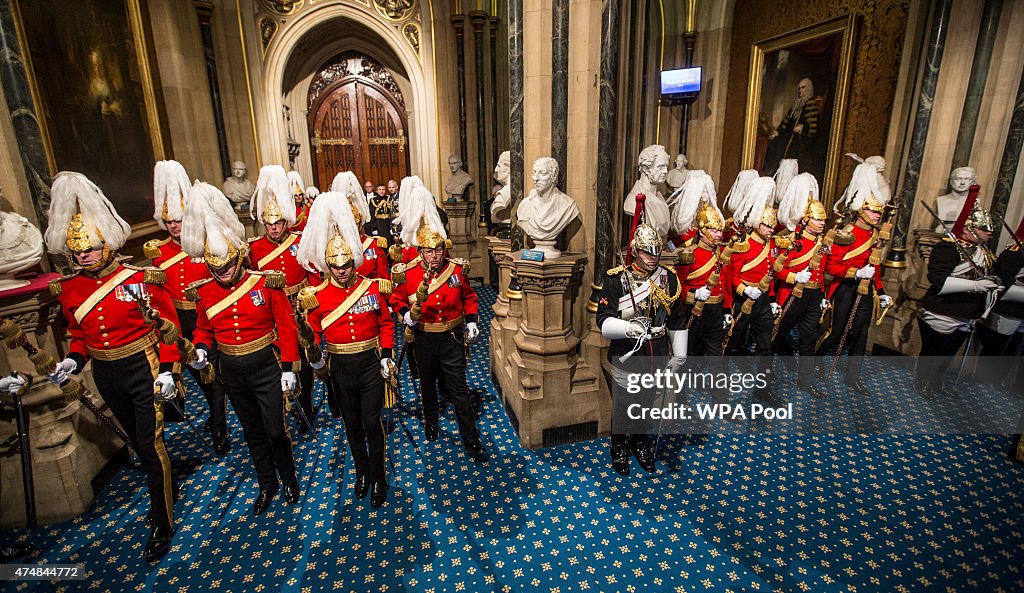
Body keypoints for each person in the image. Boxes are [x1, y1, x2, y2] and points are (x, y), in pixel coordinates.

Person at [45, 171, 182, 562]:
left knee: (150, 442)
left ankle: (162, 520)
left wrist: (170, 370)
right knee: (139, 442)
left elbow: (167, 330)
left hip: (144, 366)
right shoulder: (69, 289)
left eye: (90, 249)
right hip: (106, 373)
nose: (84, 256)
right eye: (78, 252)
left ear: (106, 244)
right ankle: (162, 486)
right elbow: (79, 334)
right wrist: (73, 360)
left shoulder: (142, 279)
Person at [183, 182, 301, 515]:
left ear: (239, 257)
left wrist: (290, 367)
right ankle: (268, 484)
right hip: (232, 371)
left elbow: (287, 327)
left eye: (229, 266)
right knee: (252, 432)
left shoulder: (265, 282)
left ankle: (289, 478)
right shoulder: (205, 293)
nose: (223, 274)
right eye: (216, 270)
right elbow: (204, 327)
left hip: (267, 366)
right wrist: (202, 349)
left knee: (276, 430)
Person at [296, 191, 395, 507]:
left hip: (369, 364)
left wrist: (387, 355)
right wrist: (312, 353)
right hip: (339, 368)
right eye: (335, 267)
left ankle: (379, 476)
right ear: (328, 265)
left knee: (371, 423)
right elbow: (310, 335)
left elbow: (385, 324)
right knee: (351, 426)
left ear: (353, 261)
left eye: (346, 265)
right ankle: (362, 472)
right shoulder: (317, 295)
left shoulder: (371, 287)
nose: (342, 271)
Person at [390, 187, 486, 462]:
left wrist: (471, 322)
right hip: (424, 338)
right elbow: (397, 300)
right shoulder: (407, 274)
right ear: (420, 250)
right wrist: (405, 314)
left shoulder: (456, 269)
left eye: (437, 250)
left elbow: (468, 297)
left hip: (453, 338)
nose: (434, 256)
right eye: (428, 251)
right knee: (427, 384)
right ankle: (430, 421)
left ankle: (471, 439)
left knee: (459, 389)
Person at [145, 160, 230, 454]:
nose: (175, 226)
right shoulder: (159, 254)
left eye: (179, 220)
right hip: (179, 320)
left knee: (214, 375)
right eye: (170, 222)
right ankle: (214, 410)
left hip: (207, 315)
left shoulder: (205, 241)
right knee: (197, 374)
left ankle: (220, 426)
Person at [596, 216, 685, 476]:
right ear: (635, 250)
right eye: (647, 251)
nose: (653, 257)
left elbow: (677, 316)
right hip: (629, 350)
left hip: (656, 351)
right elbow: (602, 320)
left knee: (647, 400)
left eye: (656, 251)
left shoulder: (668, 278)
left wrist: (679, 353)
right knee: (625, 403)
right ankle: (620, 447)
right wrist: (627, 328)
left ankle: (639, 443)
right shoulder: (616, 279)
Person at [248, 165, 320, 433]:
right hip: (270, 311)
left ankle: (306, 406)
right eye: (270, 224)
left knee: (303, 356)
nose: (275, 228)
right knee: (278, 358)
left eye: (279, 223)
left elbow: (312, 276)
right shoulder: (255, 248)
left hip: (299, 308)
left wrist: (312, 310)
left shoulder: (300, 241)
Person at [817, 162, 894, 394]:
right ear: (861, 210)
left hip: (866, 291)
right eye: (873, 211)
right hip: (845, 290)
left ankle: (853, 377)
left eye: (879, 212)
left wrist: (880, 292)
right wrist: (856, 273)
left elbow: (876, 267)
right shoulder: (846, 234)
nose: (877, 215)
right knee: (836, 332)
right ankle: (817, 365)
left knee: (861, 334)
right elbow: (831, 267)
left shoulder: (876, 236)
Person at [916, 198, 1000, 400]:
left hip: (967, 311)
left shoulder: (983, 252)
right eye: (983, 229)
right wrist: (976, 285)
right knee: (933, 352)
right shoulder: (947, 248)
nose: (989, 232)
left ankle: (937, 381)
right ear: (968, 229)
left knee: (948, 353)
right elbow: (938, 280)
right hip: (942, 309)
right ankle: (922, 381)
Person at [672, 172, 731, 403]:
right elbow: (678, 288)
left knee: (717, 360)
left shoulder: (721, 254)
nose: (718, 235)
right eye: (714, 231)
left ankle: (721, 401)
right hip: (694, 311)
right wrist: (694, 294)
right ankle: (678, 399)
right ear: (701, 231)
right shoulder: (690, 256)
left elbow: (724, 286)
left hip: (714, 313)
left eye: (720, 231)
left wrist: (727, 311)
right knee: (685, 357)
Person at [724, 177, 783, 402]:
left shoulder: (773, 245)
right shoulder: (744, 244)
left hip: (764, 303)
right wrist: (744, 290)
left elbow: (771, 274)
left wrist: (774, 299)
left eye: (772, 226)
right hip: (744, 301)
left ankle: (763, 389)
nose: (770, 230)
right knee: (732, 346)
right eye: (766, 225)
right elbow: (732, 276)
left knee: (766, 348)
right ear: (757, 222)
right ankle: (723, 390)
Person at [771, 173, 828, 399]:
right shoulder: (792, 241)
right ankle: (763, 382)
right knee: (777, 337)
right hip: (791, 294)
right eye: (818, 219)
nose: (823, 223)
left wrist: (822, 293)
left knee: (808, 340)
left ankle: (805, 382)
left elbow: (821, 272)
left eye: (824, 220)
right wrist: (795, 277)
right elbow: (777, 269)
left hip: (813, 297)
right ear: (806, 220)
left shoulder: (823, 243)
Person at [977, 215, 1024, 392]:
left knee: (1013, 352)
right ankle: (983, 384)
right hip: (1008, 309)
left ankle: (1002, 384)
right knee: (996, 350)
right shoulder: (1014, 251)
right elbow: (1003, 283)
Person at [516, 157, 580, 258]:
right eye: (534, 172)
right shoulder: (525, 205)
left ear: (553, 176)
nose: (535, 178)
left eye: (542, 173)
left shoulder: (567, 205)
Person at [762, 78, 823, 180]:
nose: (800, 90)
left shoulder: (811, 103)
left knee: (784, 148)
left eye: (803, 88)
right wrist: (778, 132)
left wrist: (803, 127)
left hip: (800, 138)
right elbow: (786, 121)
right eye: (799, 88)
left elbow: (813, 126)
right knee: (772, 141)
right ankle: (771, 170)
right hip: (788, 134)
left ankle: (779, 174)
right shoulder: (796, 103)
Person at [624, 145, 672, 237]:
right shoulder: (634, 200)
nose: (666, 171)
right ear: (646, 168)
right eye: (661, 167)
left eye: (666, 167)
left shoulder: (660, 197)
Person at [933, 167, 978, 232]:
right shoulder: (941, 200)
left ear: (973, 182)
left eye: (967, 179)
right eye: (958, 179)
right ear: (951, 181)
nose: (962, 183)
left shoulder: (975, 202)